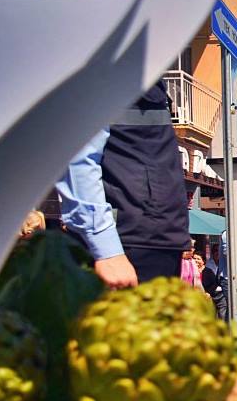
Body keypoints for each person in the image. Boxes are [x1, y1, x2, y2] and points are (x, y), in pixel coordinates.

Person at [55, 79, 191, 288]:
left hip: (154, 240)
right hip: (127, 245)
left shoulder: (138, 67)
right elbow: (78, 157)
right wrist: (106, 249)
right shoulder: (105, 68)